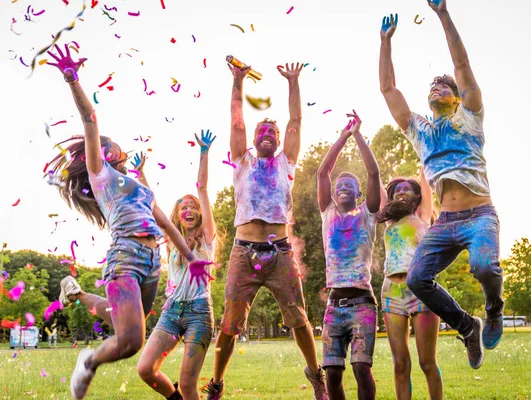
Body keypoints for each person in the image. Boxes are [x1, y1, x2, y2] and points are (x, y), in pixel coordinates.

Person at [45, 44, 208, 399]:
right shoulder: (100, 176)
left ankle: (77, 293)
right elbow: (90, 120)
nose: (117, 150)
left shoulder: (138, 186)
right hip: (125, 257)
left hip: (151, 263)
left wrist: (192, 261)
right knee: (131, 341)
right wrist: (73, 80)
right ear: (102, 154)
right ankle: (88, 361)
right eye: (110, 148)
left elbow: (164, 221)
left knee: (129, 326)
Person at [379, 0, 503, 370]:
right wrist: (385, 41)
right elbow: (388, 90)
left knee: (484, 266)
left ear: (456, 96)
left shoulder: (469, 116)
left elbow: (462, 67)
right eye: (433, 85)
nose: (437, 87)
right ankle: (467, 325)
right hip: (445, 222)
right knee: (418, 279)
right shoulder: (421, 132)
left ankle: (494, 310)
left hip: (479, 215)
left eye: (443, 85)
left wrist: (443, 14)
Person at [202, 62, 327, 400]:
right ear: (255, 140)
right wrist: (238, 80)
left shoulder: (287, 162)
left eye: (273, 131)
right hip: (244, 252)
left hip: (281, 253)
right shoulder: (242, 161)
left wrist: (294, 82)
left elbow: (296, 122)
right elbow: (237, 120)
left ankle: (316, 376)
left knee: (299, 319)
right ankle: (216, 382)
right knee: (229, 325)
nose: (269, 134)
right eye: (263, 131)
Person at [135, 130, 217, 400]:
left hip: (199, 315)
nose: (190, 210)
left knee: (189, 383)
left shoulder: (207, 239)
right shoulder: (171, 240)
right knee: (146, 369)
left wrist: (204, 152)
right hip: (171, 312)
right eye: (184, 208)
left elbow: (202, 189)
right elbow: (152, 204)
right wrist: (140, 174)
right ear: (178, 215)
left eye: (193, 207)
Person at [316, 112, 381, 400]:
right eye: (339, 186)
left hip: (363, 303)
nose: (342, 189)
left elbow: (374, 174)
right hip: (334, 305)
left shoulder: (367, 215)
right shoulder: (327, 213)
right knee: (332, 373)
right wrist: (343, 135)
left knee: (360, 368)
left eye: (349, 187)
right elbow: (322, 173)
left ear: (358, 194)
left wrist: (358, 135)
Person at [378, 171, 442, 399]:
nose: (401, 191)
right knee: (400, 365)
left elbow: (426, 177)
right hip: (391, 294)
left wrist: (422, 137)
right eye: (396, 190)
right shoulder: (389, 220)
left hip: (421, 291)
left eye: (406, 188)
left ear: (416, 195)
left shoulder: (423, 215)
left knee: (427, 362)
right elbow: (375, 175)